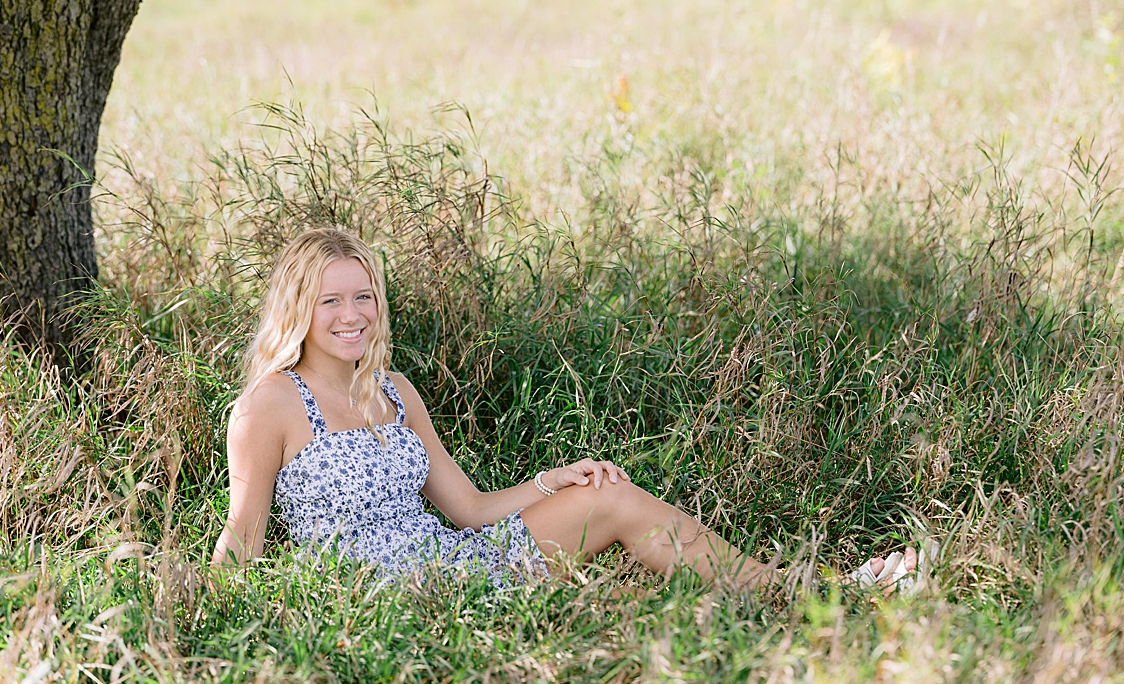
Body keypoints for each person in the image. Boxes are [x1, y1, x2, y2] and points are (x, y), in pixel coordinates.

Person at [212, 227, 918, 591]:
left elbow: (468, 507)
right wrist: (195, 617)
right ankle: (827, 594)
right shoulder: (270, 404)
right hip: (390, 593)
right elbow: (243, 536)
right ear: (298, 307)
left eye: (362, 295)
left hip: (458, 559)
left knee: (608, 489)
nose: (350, 314)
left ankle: (812, 590)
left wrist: (556, 478)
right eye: (330, 299)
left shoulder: (392, 388)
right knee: (607, 502)